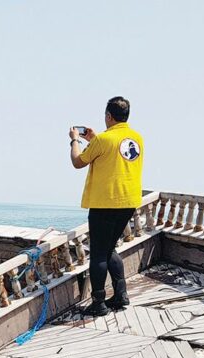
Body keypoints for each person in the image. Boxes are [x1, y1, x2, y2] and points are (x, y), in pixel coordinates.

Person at [69, 96, 144, 317]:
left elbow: (78, 162)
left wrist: (75, 140)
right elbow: (110, 154)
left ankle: (98, 303)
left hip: (105, 203)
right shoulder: (137, 138)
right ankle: (121, 295)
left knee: (99, 254)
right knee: (109, 249)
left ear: (108, 116)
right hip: (128, 202)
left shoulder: (104, 139)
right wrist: (93, 138)